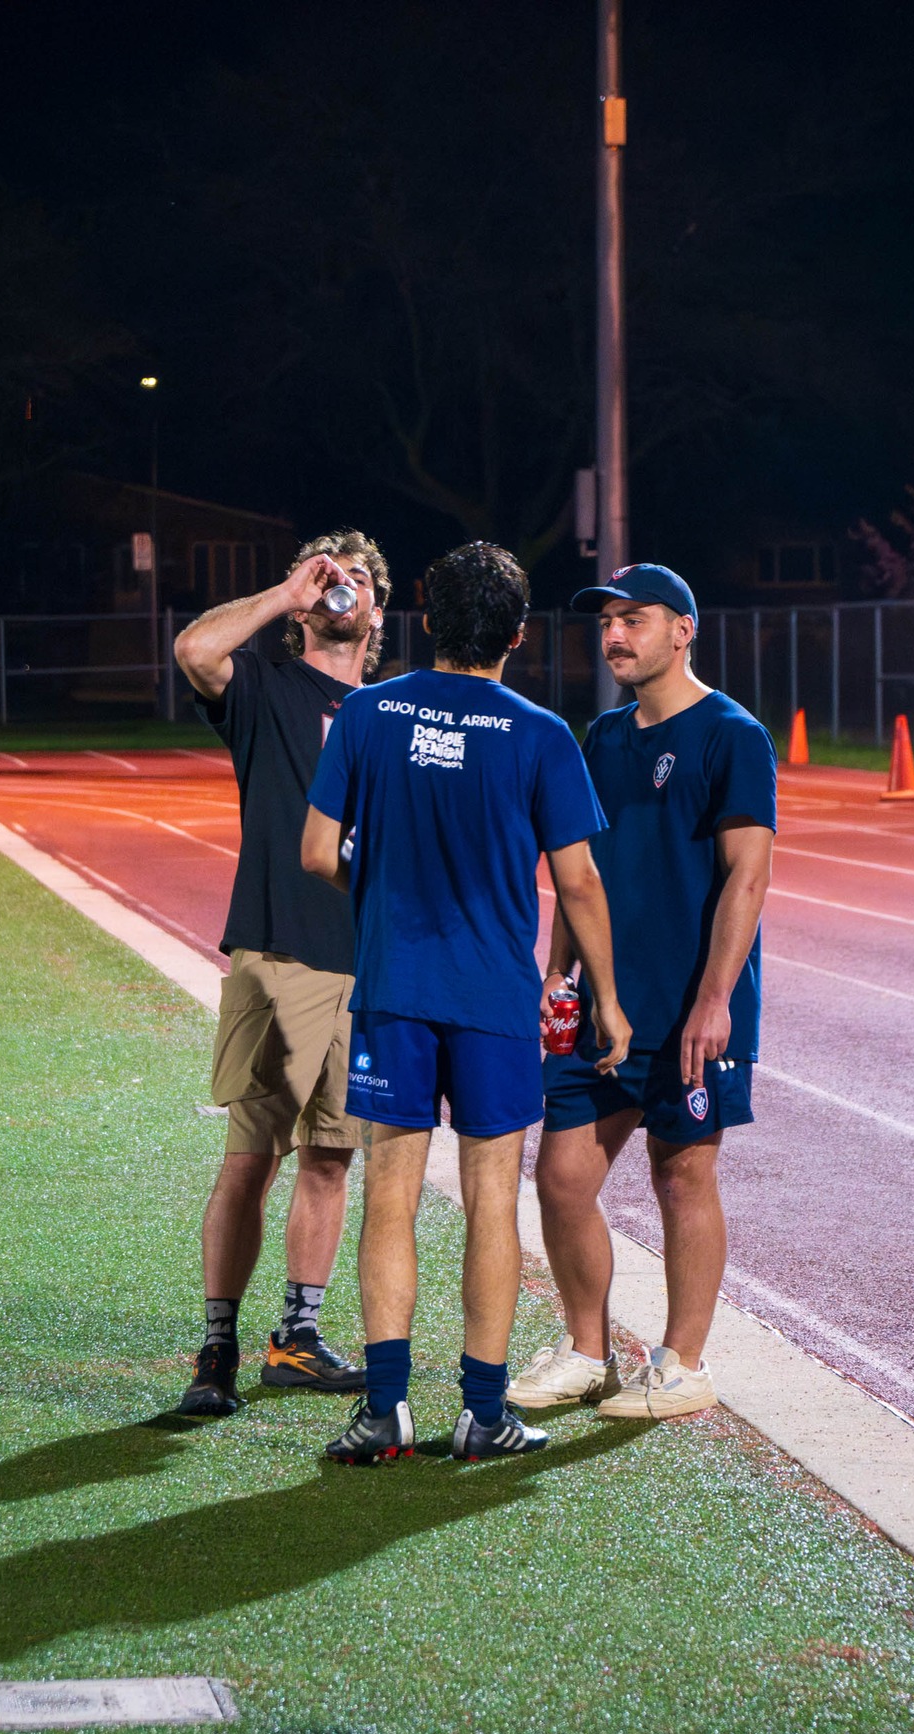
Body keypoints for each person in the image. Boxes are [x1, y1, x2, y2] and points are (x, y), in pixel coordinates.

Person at [301, 540, 631, 1463]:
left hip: (395, 989)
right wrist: (606, 998)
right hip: (493, 996)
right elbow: (580, 885)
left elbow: (318, 854)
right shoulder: (540, 734)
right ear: (518, 635)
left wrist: (381, 900)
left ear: (428, 623)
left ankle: (385, 1412)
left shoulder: (365, 713)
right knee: (493, 1203)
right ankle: (482, 1415)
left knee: (391, 1198)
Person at [509, 562, 776, 1421]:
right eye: (607, 623)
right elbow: (576, 867)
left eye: (635, 619)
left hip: (688, 1006)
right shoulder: (603, 737)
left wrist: (713, 1000)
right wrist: (558, 970)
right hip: (603, 1006)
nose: (615, 636)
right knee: (559, 1177)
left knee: (683, 1176)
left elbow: (746, 877)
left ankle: (683, 1363)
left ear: (682, 630)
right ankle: (588, 1352)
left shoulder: (732, 735)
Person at [171, 529, 392, 1417]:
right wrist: (281, 595)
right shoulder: (262, 687)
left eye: (360, 580)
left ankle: (296, 1339)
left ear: (381, 605)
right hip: (275, 952)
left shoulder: (394, 713)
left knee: (331, 1159)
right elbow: (194, 647)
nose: (345, 591)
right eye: (329, 577)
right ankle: (216, 1348)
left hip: (365, 964)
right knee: (249, 1160)